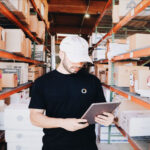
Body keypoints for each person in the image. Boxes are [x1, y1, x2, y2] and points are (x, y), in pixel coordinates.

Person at [29, 36, 114, 150]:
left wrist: (109, 118)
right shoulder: (42, 82)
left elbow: (102, 111)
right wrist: (63, 123)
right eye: (74, 59)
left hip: (87, 146)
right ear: (62, 54)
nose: (79, 64)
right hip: (54, 146)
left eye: (82, 60)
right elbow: (34, 117)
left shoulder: (92, 81)